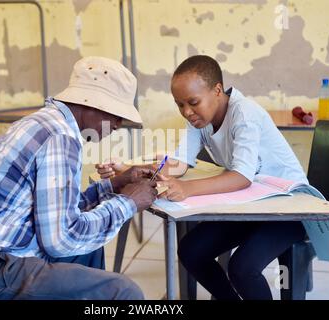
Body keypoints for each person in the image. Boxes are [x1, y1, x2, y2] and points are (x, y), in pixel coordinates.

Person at [0, 56, 158, 300]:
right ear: (92, 103)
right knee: (122, 292)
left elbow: (59, 214)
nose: (119, 124)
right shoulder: (59, 138)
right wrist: (128, 203)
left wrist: (114, 185)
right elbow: (61, 240)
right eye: (116, 115)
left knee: (88, 248)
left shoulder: (47, 124)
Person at [97, 55, 308, 300]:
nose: (187, 112)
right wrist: (127, 169)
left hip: (292, 207)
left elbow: (241, 176)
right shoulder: (200, 120)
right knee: (191, 251)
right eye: (180, 105)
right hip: (254, 205)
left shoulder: (244, 114)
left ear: (217, 90)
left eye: (193, 102)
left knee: (243, 268)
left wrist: (187, 189)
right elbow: (178, 163)